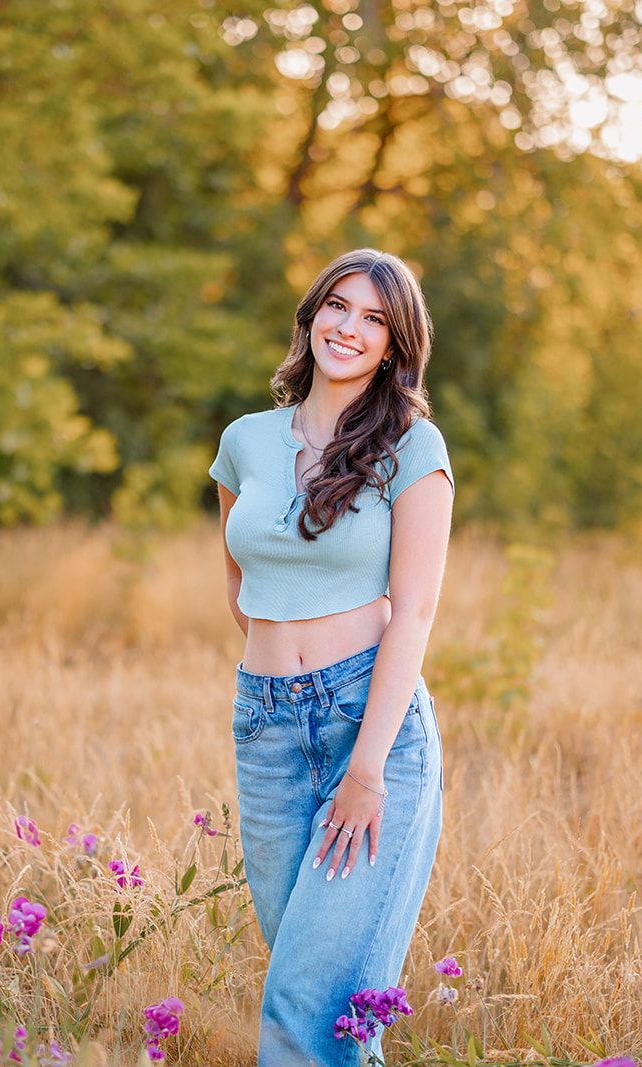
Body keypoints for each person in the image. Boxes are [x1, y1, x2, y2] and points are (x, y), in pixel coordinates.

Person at [209, 248, 454, 1065]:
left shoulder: (411, 448)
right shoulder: (245, 441)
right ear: (311, 315)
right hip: (267, 728)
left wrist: (368, 767)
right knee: (323, 1008)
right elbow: (243, 582)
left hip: (370, 724)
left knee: (305, 1010)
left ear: (394, 345)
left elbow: (414, 611)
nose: (350, 328)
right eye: (339, 307)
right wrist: (276, 680)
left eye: (375, 319)